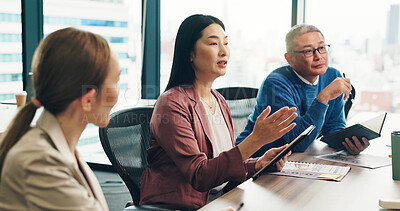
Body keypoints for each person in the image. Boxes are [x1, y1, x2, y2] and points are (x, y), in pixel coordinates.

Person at [139, 14, 298, 210]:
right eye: (214, 44)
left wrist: (257, 163)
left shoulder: (219, 100)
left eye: (226, 43)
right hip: (182, 207)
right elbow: (200, 175)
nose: (224, 51)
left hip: (222, 200)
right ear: (190, 53)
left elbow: (220, 166)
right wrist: (255, 140)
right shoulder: (172, 103)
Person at [0, 27, 121, 210]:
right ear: (87, 99)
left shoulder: (59, 144)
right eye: (116, 81)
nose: (119, 92)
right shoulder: (39, 162)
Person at [236, 24, 369, 157]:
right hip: (255, 162)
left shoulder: (333, 76)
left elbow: (333, 128)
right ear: (290, 59)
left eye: (321, 48)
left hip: (296, 160)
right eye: (308, 51)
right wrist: (324, 97)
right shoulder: (276, 83)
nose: (318, 56)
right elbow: (298, 142)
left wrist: (348, 144)